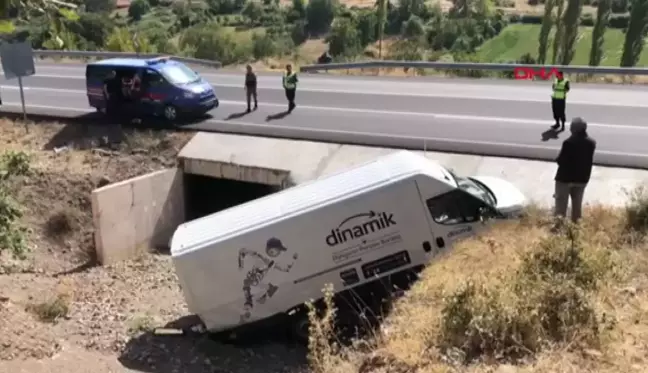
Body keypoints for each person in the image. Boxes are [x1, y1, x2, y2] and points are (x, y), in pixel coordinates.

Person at [553, 117, 596, 224]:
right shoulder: (591, 143)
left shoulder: (568, 142)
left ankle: (559, 229)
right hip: (582, 179)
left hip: (565, 179)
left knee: (560, 208)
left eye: (572, 127)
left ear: (576, 129)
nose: (570, 128)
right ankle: (576, 230)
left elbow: (561, 161)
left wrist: (557, 159)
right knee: (577, 208)